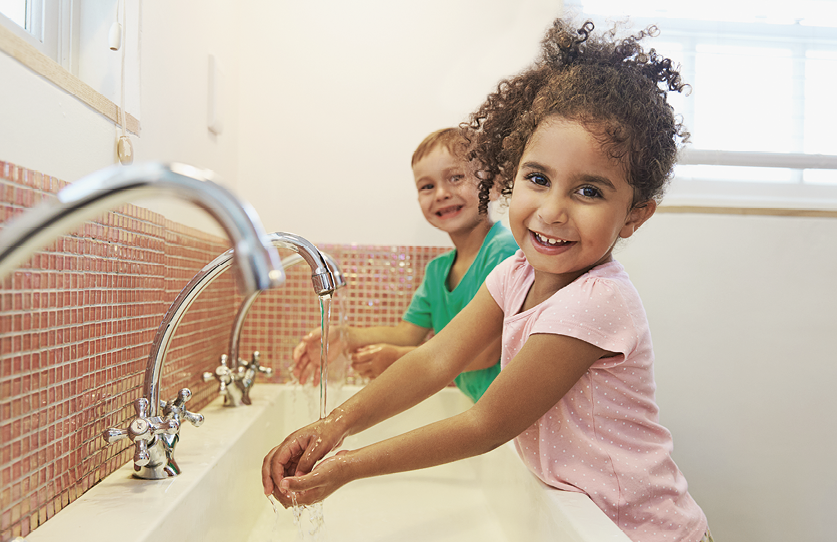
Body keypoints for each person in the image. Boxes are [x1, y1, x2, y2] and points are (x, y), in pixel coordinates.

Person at [264, 17, 712, 542]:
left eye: (588, 191)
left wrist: (348, 465)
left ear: (634, 215)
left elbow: (487, 424)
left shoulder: (597, 302)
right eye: (538, 179)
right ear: (510, 175)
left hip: (644, 532)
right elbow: (435, 358)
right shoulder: (515, 272)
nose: (552, 210)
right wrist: (333, 424)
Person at [292, 127, 519, 402]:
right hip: (484, 410)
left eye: (456, 177)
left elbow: (485, 352)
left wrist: (398, 359)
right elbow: (407, 333)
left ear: (493, 186)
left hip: (513, 413)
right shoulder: (437, 271)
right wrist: (344, 336)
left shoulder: (504, 251)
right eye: (427, 186)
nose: (441, 193)